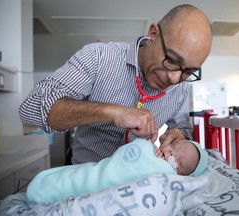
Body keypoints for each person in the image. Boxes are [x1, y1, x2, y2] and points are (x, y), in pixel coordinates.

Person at [19, 4, 212, 164]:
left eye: (188, 72)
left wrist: (179, 137)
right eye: (171, 59)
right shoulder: (99, 57)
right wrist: (112, 112)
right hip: (86, 179)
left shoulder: (180, 87)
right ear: (153, 34)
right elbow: (31, 109)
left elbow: (184, 131)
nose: (174, 79)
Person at [27, 138, 208, 204]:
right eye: (174, 147)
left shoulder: (166, 177)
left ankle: (46, 190)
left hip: (100, 191)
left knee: (76, 186)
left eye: (178, 161)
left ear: (182, 177)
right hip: (96, 170)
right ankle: (47, 184)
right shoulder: (150, 150)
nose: (170, 153)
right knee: (81, 176)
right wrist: (145, 145)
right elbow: (131, 154)